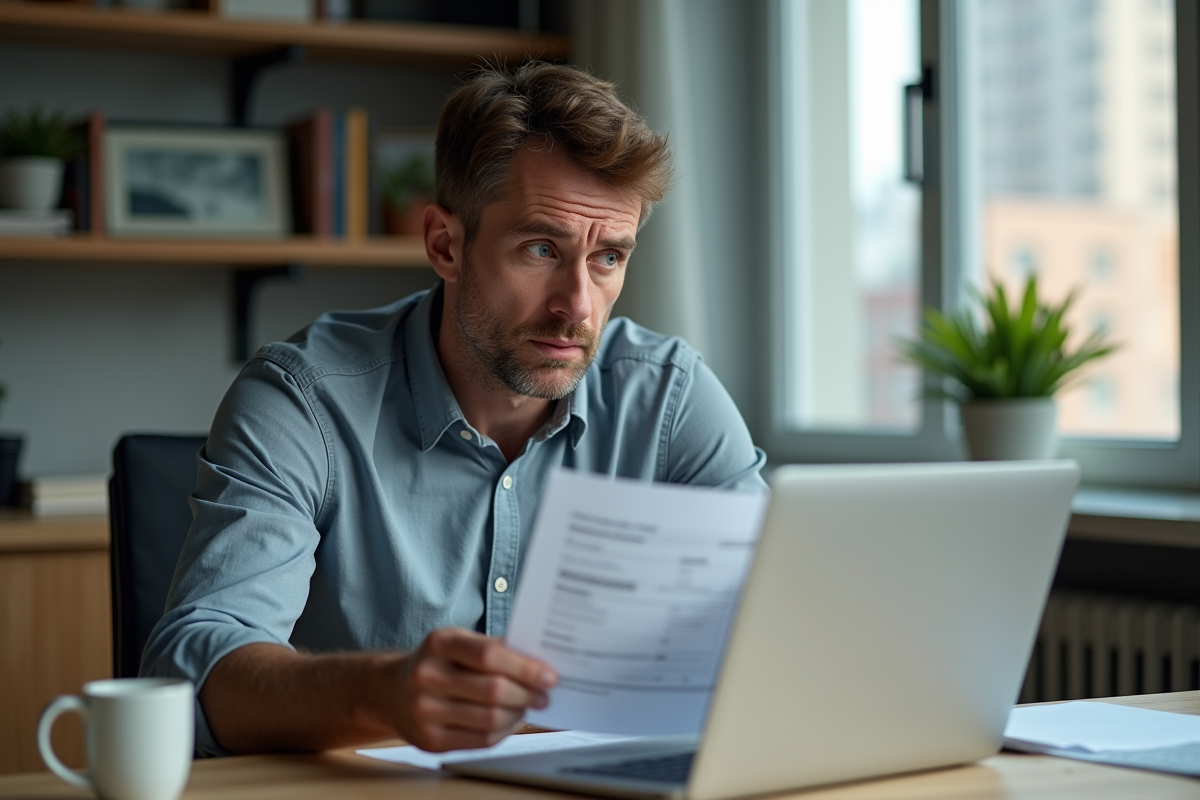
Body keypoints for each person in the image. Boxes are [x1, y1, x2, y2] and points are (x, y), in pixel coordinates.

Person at [142, 61, 766, 757]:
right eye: (540, 248)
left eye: (608, 257)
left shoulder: (669, 398)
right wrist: (383, 694)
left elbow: (778, 621)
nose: (577, 307)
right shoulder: (304, 399)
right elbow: (193, 670)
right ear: (446, 244)